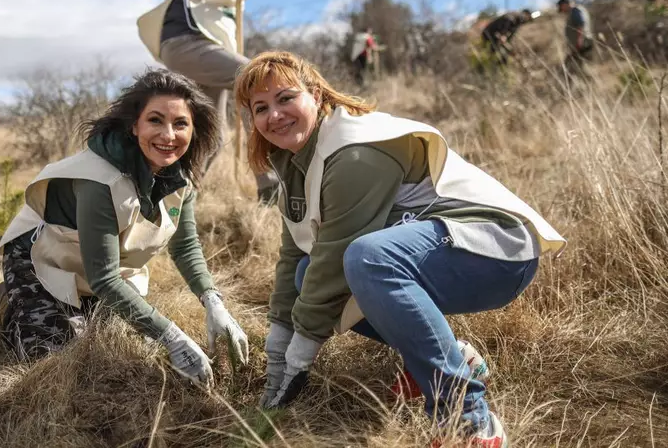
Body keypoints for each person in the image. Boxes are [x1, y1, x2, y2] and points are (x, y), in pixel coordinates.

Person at [233, 51, 567, 447]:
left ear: (318, 96)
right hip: (440, 248)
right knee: (308, 271)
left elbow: (337, 257)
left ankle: (468, 419)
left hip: (496, 247)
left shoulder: (354, 152)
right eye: (261, 107)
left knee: (367, 259)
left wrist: (298, 357)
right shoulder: (294, 161)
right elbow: (296, 253)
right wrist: (278, 343)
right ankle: (450, 356)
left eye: (286, 98)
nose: (275, 114)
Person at [0, 69, 249, 388]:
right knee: (55, 363)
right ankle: (12, 301)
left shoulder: (179, 177)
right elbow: (105, 278)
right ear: (133, 125)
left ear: (194, 130)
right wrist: (172, 336)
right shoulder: (99, 180)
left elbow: (185, 247)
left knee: (117, 348)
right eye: (155, 120)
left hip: (100, 267)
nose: (168, 135)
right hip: (43, 259)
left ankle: (81, 308)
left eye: (180, 123)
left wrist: (213, 302)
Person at [136, 0, 279, 203]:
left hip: (212, 52)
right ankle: (270, 184)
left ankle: (176, 200)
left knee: (210, 136)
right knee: (251, 76)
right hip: (185, 42)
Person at [557, 0, 594, 85]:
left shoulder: (576, 11)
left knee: (577, 68)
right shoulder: (575, 11)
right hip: (578, 46)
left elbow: (580, 25)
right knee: (575, 68)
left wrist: (579, 41)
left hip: (581, 45)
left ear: (564, 5)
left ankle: (591, 85)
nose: (562, 11)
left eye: (561, 8)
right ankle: (587, 86)